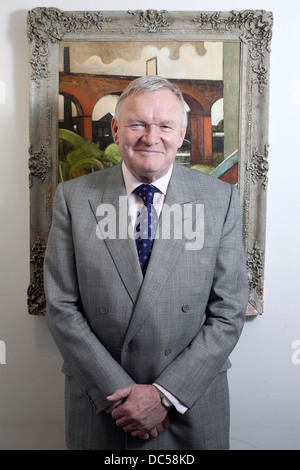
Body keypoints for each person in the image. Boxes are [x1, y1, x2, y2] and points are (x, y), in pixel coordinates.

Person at [44, 75, 249, 450]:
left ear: (182, 132)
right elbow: (61, 308)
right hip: (103, 404)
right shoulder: (73, 198)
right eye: (137, 124)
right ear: (116, 128)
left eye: (165, 126)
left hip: (191, 404)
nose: (151, 138)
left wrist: (164, 395)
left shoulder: (221, 201)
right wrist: (122, 395)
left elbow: (228, 311)